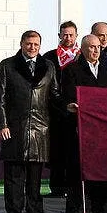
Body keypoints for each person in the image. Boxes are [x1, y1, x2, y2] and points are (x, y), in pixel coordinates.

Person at [0, 30, 61, 213]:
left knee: (35, 178)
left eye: (36, 44)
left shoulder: (48, 66)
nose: (32, 48)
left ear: (40, 46)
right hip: (14, 128)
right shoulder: (7, 65)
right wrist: (1, 124)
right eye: (29, 44)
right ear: (22, 43)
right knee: (14, 176)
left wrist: (68, 106)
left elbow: (54, 95)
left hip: (40, 130)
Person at [62, 34, 107, 213]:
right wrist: (71, 106)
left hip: (101, 131)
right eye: (91, 47)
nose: (95, 50)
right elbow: (67, 97)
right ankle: (74, 211)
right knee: (76, 172)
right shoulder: (72, 70)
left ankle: (99, 210)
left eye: (98, 47)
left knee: (99, 170)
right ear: (83, 49)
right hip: (79, 128)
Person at [41, 20, 79, 198]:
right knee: (56, 150)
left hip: (77, 112)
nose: (68, 38)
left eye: (71, 34)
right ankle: (56, 187)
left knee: (74, 151)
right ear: (59, 36)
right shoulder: (49, 57)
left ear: (76, 36)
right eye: (64, 34)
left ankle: (74, 188)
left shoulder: (82, 56)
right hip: (55, 111)